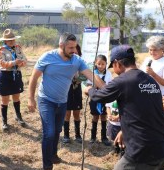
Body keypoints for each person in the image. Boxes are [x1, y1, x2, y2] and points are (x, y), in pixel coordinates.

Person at [27, 32, 105, 170]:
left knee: (57, 130)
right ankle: (47, 166)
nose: (74, 50)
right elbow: (34, 78)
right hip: (46, 100)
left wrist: (107, 90)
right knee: (49, 133)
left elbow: (92, 76)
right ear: (61, 45)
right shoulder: (47, 57)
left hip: (63, 101)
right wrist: (30, 99)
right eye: (71, 48)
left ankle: (53, 154)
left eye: (75, 47)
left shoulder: (76, 60)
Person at [86, 45, 164, 170]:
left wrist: (90, 90)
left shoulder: (122, 81)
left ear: (117, 63)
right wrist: (123, 130)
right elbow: (145, 111)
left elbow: (99, 97)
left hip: (142, 151)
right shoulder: (150, 80)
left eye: (113, 66)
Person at [0, 29, 28, 130]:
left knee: (16, 96)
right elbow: (2, 63)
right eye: (9, 40)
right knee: (5, 99)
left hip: (16, 74)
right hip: (5, 75)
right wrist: (14, 63)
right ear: (5, 41)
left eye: (13, 40)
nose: (12, 42)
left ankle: (18, 117)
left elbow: (25, 59)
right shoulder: (1, 50)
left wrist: (22, 63)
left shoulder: (18, 48)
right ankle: (4, 121)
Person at [140, 35, 164, 125]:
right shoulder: (147, 60)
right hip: (146, 96)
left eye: (155, 50)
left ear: (162, 49)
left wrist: (153, 74)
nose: (152, 52)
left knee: (159, 125)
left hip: (160, 98)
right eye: (150, 49)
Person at [86, 54, 113, 146]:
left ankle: (104, 137)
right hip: (95, 98)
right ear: (95, 64)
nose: (101, 66)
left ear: (106, 64)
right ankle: (93, 137)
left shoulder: (108, 73)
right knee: (95, 116)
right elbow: (89, 85)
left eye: (103, 64)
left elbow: (109, 86)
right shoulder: (92, 73)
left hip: (105, 98)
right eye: (99, 64)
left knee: (103, 116)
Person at [62, 44, 83, 144]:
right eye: (72, 51)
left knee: (76, 113)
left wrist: (78, 79)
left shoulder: (82, 63)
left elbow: (85, 77)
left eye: (76, 51)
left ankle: (77, 135)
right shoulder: (65, 63)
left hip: (77, 90)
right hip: (67, 90)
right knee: (67, 113)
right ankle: (66, 135)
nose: (74, 53)